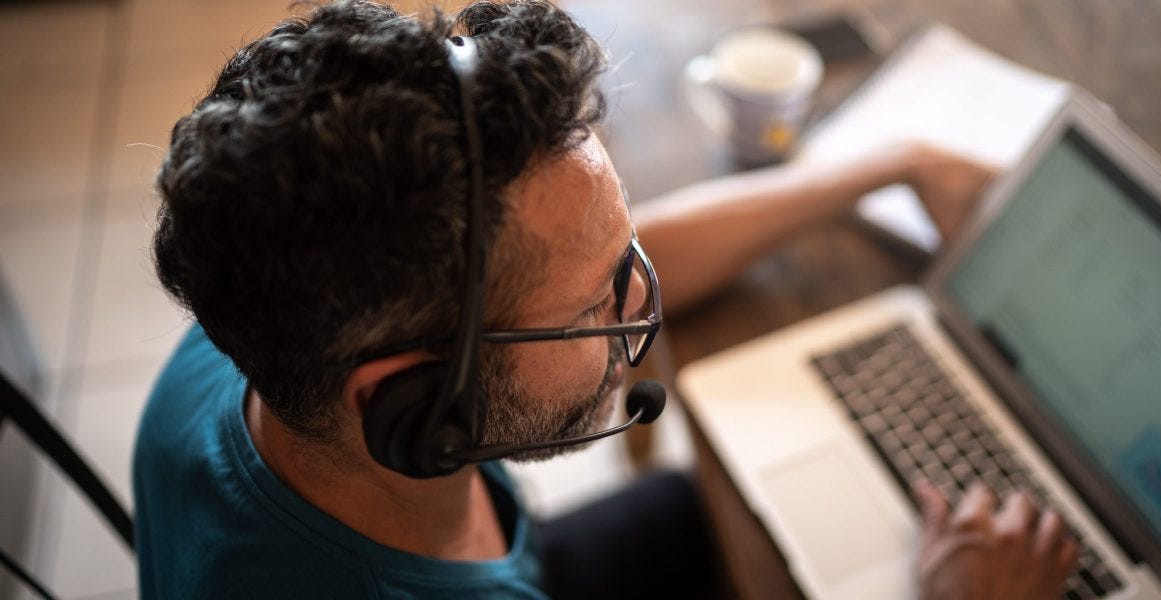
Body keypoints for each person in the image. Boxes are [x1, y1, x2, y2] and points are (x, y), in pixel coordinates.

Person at [133, 1, 1079, 598]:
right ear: (410, 402)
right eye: (596, 308)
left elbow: (556, 269)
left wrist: (889, 163)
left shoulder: (273, 310)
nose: (637, 304)